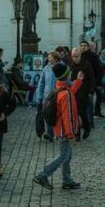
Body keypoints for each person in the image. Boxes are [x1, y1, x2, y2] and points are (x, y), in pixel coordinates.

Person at [33, 63, 84, 191]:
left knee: (68, 155)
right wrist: (71, 135)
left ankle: (67, 180)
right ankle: (43, 175)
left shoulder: (59, 88)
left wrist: (78, 81)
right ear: (66, 75)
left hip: (59, 129)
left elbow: (70, 91)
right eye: (69, 73)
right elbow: (68, 116)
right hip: (64, 131)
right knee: (63, 156)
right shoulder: (65, 94)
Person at [70, 47, 96, 139]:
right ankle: (77, 133)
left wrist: (91, 91)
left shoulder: (86, 64)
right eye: (73, 56)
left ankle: (87, 127)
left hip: (83, 92)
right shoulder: (71, 65)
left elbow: (91, 78)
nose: (75, 58)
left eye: (76, 56)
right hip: (73, 92)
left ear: (80, 55)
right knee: (74, 113)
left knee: (82, 112)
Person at [36, 51, 61, 141]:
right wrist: (39, 96)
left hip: (58, 95)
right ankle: (50, 134)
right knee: (48, 114)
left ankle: (58, 133)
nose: (48, 59)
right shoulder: (46, 68)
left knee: (57, 115)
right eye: (48, 57)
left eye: (50, 57)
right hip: (47, 96)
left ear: (55, 58)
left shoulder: (61, 67)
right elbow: (41, 83)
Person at [80, 40, 103, 120]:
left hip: (92, 82)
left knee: (90, 101)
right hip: (81, 82)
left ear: (87, 47)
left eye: (84, 46)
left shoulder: (93, 56)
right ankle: (85, 119)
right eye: (81, 46)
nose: (83, 47)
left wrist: (98, 83)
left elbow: (98, 69)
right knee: (83, 103)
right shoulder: (79, 56)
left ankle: (90, 120)